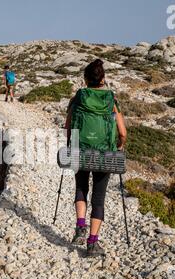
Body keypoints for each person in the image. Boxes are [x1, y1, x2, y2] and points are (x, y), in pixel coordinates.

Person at [64, 59, 127, 258]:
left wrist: (71, 145)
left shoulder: (78, 98)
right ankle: (92, 243)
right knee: (99, 198)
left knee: (81, 187)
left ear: (85, 79)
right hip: (104, 155)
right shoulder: (111, 100)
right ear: (103, 79)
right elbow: (123, 132)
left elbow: (68, 127)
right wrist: (119, 145)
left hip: (80, 151)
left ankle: (80, 227)